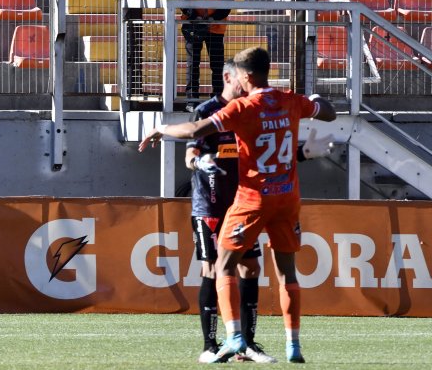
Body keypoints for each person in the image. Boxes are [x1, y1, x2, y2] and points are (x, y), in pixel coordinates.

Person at [139, 47, 336, 364]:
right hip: (277, 199)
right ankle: (289, 345)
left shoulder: (243, 108)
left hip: (251, 200)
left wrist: (162, 128)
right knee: (284, 273)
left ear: (244, 76)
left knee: (228, 267)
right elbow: (328, 112)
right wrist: (313, 103)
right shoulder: (289, 99)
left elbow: (193, 130)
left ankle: (237, 339)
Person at [177, 0, 235, 107]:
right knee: (217, 65)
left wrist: (195, 18)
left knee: (192, 64)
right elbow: (228, 0)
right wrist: (212, 18)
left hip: (193, 26)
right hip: (216, 26)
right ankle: (218, 100)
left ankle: (191, 101)